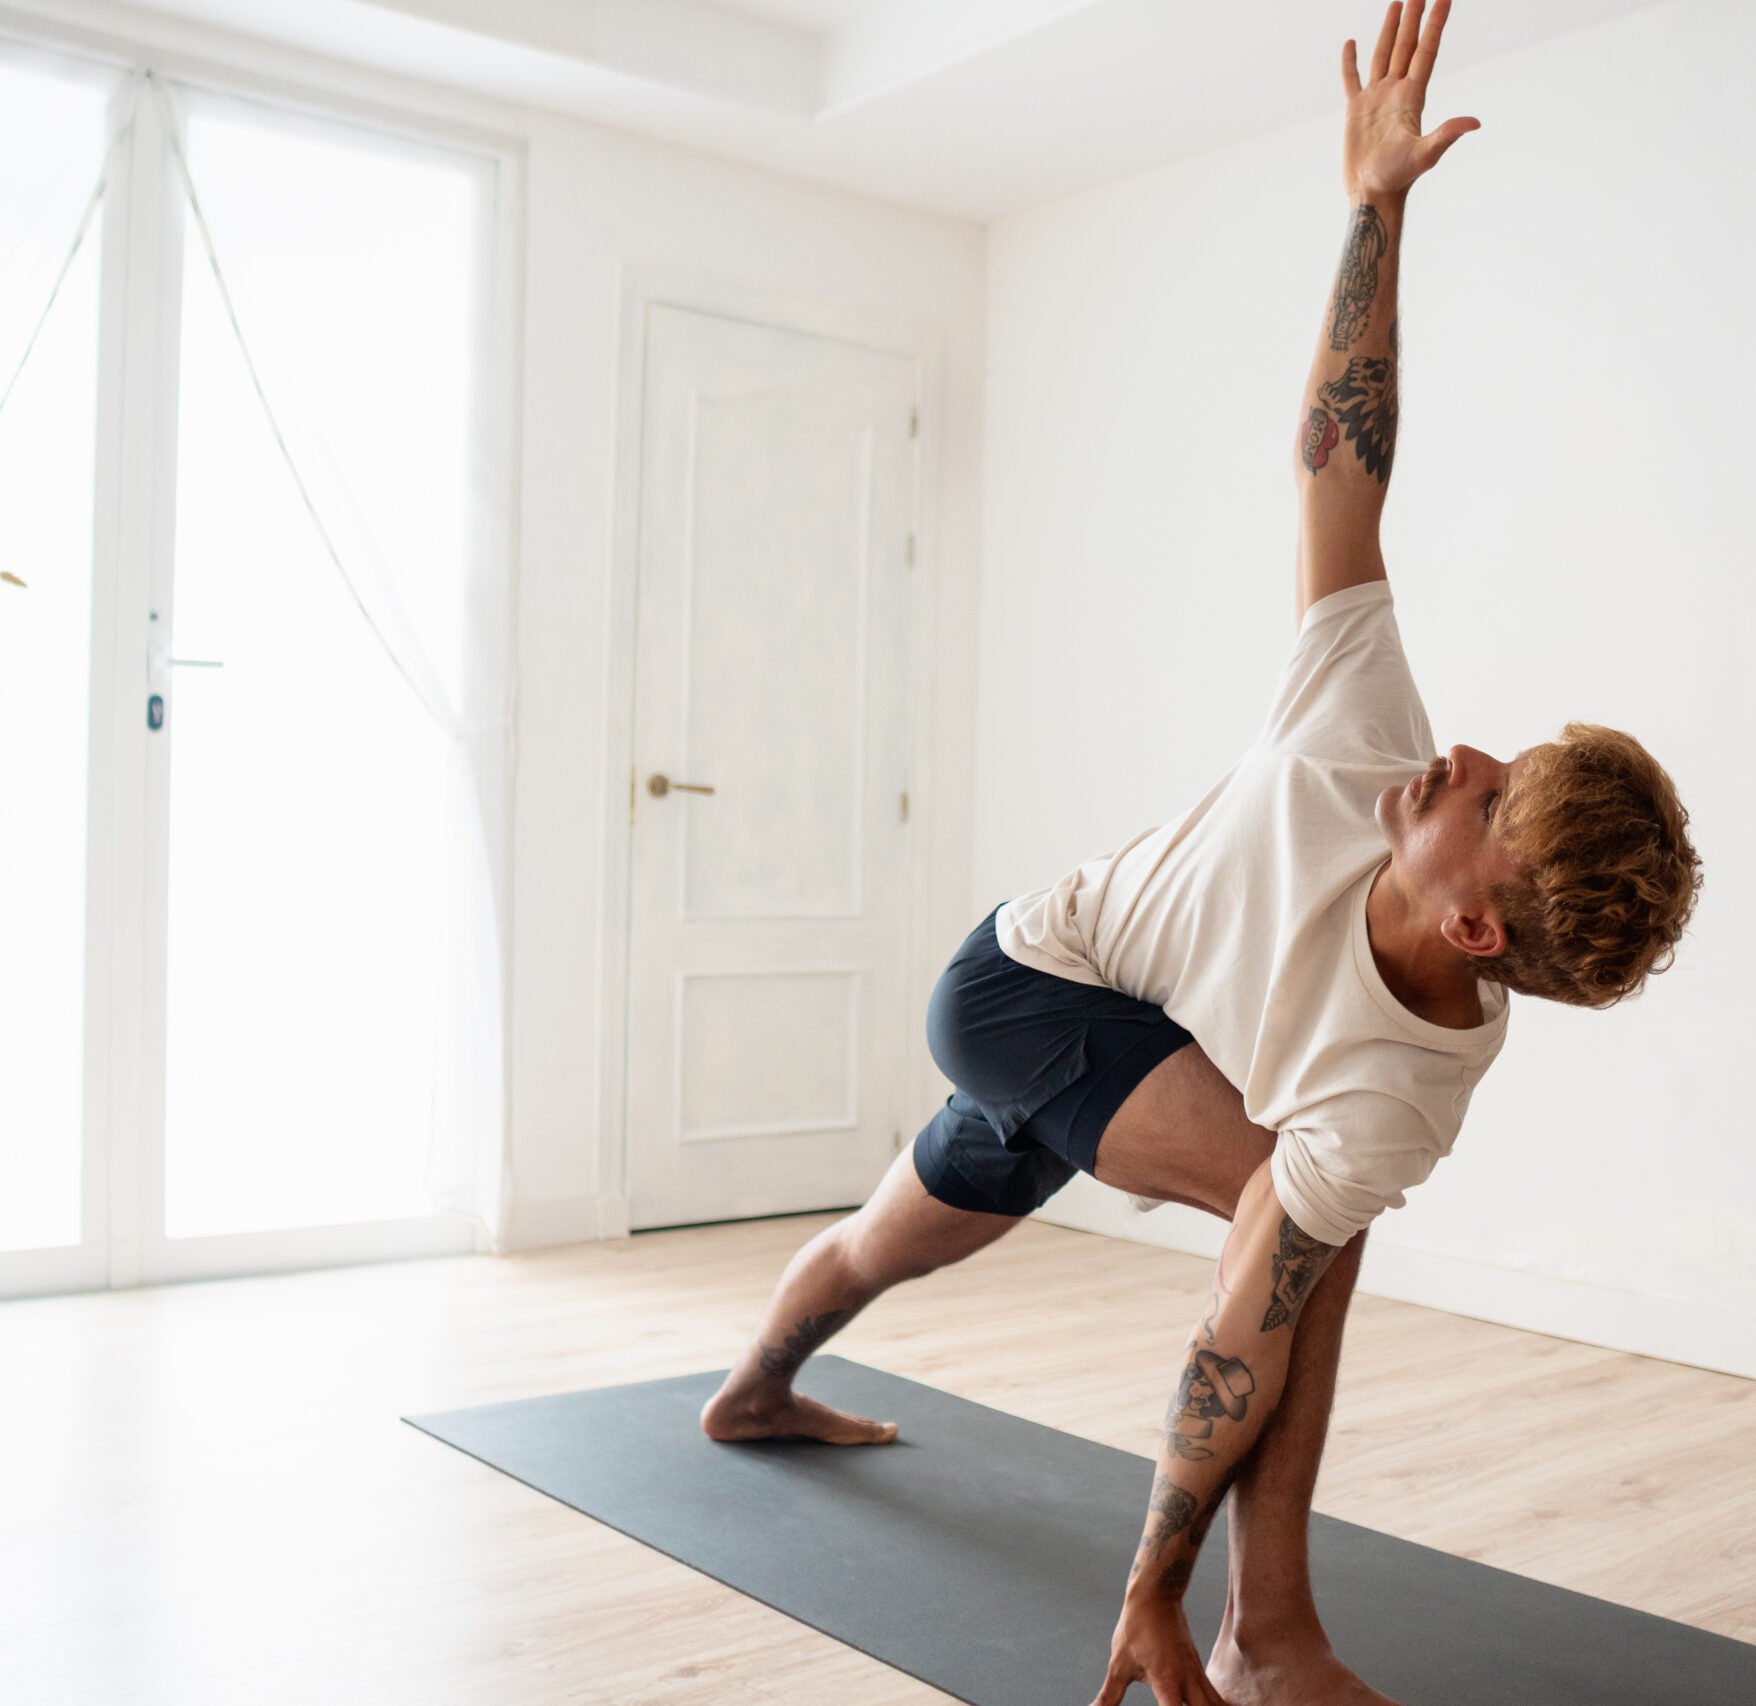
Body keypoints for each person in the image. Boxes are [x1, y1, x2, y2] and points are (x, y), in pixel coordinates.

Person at [697, 4, 1700, 1701]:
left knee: (905, 1234)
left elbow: (1242, 1324)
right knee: (1293, 1223)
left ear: (1472, 922)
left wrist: (1146, 1557)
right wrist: (1378, 205)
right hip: (1023, 981)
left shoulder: (1406, 1091)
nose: (1457, 752)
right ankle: (1267, 1628)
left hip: (1119, 1054)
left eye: (1486, 789)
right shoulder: (1362, 722)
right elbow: (1341, 454)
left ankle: (754, 1385)